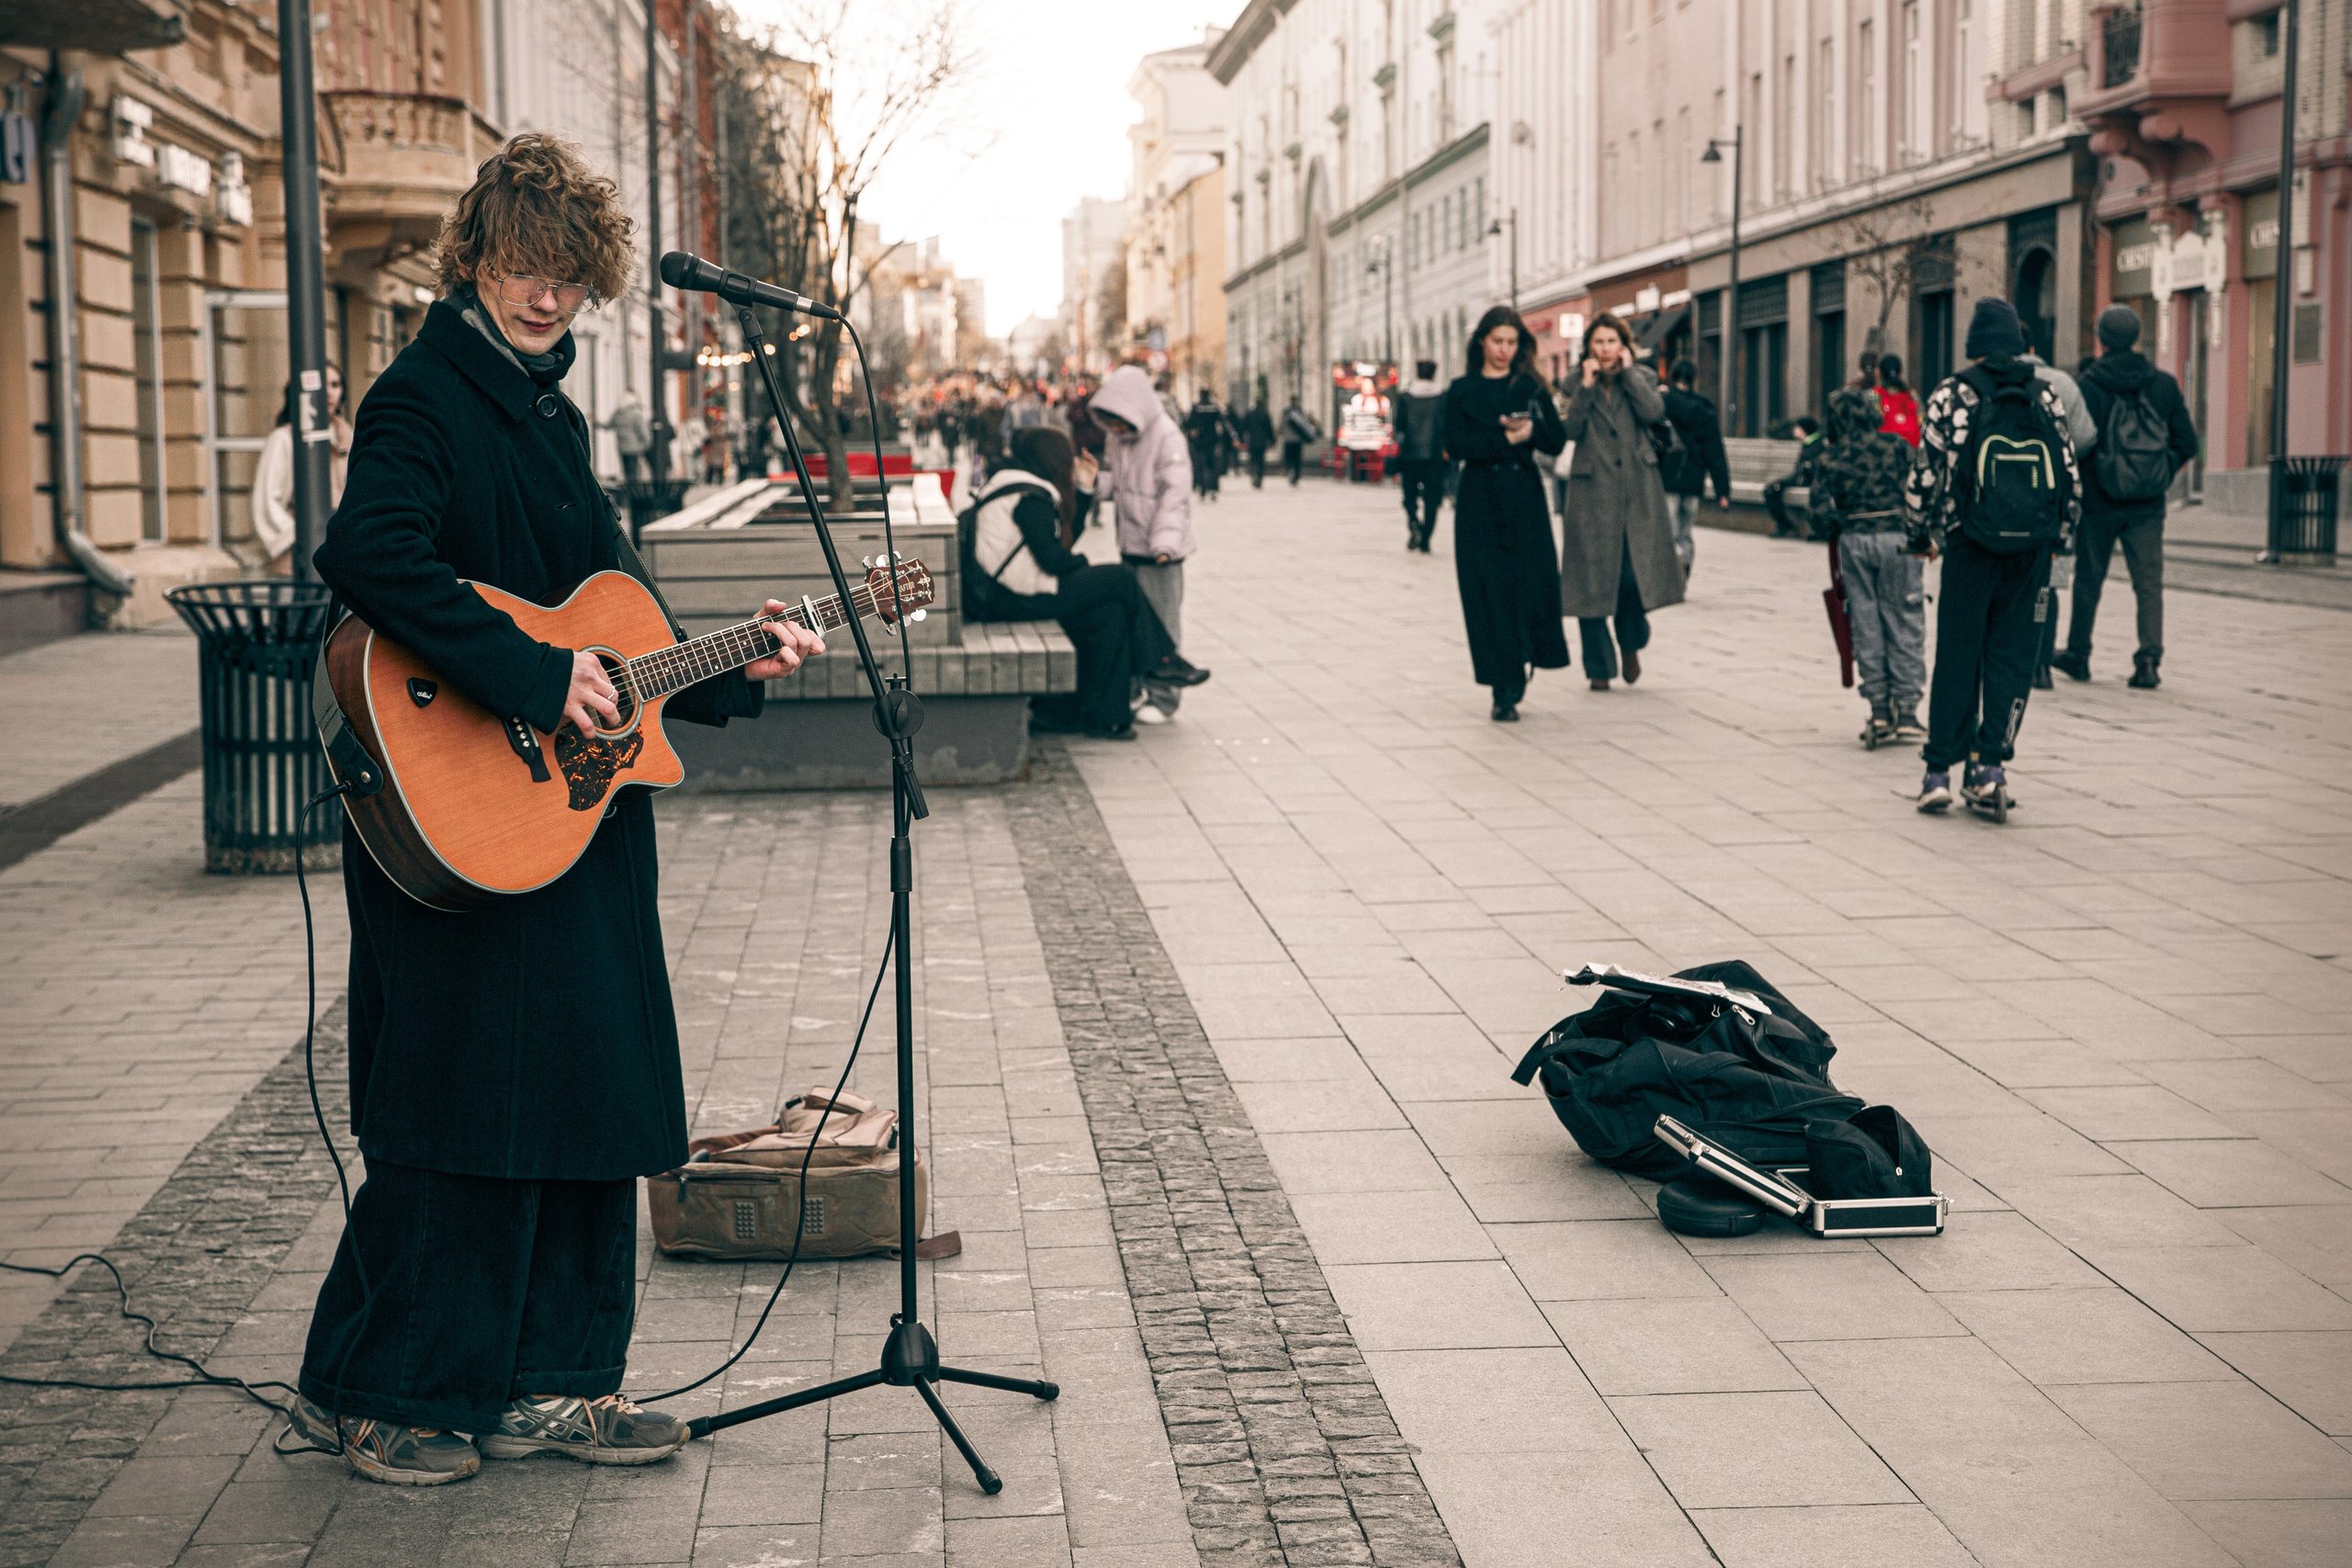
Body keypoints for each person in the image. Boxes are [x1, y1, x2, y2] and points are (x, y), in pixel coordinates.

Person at [296, 135, 827, 1485]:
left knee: (596, 1091)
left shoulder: (551, 413)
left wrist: (731, 664)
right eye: (524, 267)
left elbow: (612, 623)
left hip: (572, 813)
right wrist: (532, 679)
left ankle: (551, 1379)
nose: (546, 296)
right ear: (476, 254)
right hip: (459, 797)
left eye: (568, 274)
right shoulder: (424, 394)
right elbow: (369, 553)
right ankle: (386, 1387)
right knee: (461, 1102)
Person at [1904, 298, 2080, 816]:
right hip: (2030, 552)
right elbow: (2070, 477)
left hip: (1970, 543)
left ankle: (1938, 772)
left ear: (1974, 346)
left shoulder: (1952, 395)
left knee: (1958, 653)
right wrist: (2060, 537)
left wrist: (1919, 534)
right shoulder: (2045, 396)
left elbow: (1925, 474)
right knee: (2011, 656)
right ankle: (1990, 766)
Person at [966, 425, 1193, 739]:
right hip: (1014, 597)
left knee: (1110, 613)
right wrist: (1083, 568)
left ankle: (1108, 718)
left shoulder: (1016, 484)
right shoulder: (1029, 497)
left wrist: (1084, 491)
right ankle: (1160, 661)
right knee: (1120, 578)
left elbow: (1060, 547)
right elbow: (1054, 560)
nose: (1071, 463)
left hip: (1016, 592)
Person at [2053, 305, 2199, 691]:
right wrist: (2159, 472)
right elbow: (2188, 442)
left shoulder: (2088, 385)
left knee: (2089, 577)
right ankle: (2149, 660)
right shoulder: (2163, 385)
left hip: (2099, 500)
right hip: (2148, 505)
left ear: (2101, 338)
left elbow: (2078, 443)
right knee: (2149, 583)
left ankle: (2078, 654)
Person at [1445, 307, 1570, 721]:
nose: (1504, 350)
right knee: (1486, 589)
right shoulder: (1462, 390)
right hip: (1479, 499)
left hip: (1524, 497)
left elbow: (1556, 441)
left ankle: (1521, 660)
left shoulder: (1531, 387)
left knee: (1528, 584)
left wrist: (1530, 431)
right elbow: (1456, 444)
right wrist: (1504, 437)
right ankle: (1502, 685)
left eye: (1512, 342)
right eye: (1497, 341)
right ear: (1482, 340)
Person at [1559, 316, 1685, 692]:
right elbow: (1569, 430)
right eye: (1598, 341)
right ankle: (1599, 666)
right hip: (1590, 491)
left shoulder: (1643, 378)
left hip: (1637, 489)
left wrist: (1629, 376)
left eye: (1612, 340)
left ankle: (1630, 643)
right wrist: (1584, 387)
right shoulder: (1572, 382)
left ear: (1624, 345)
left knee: (1631, 577)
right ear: (1589, 348)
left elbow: (1653, 413)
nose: (1605, 348)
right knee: (1590, 581)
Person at [1092, 365, 1210, 723]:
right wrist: (1091, 482)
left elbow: (1175, 495)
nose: (1114, 428)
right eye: (1109, 421)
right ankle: (1139, 689)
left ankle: (1164, 698)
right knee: (1136, 624)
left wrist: (1164, 544)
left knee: (1163, 623)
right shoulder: (1119, 439)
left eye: (1118, 420)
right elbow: (1115, 484)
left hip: (1161, 553)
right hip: (1130, 544)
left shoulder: (1166, 437)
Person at [1813, 387, 1927, 746]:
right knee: (1905, 617)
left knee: (1865, 620)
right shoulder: (1896, 447)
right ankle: (1907, 709)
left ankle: (1879, 708)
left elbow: (1818, 514)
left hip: (1855, 540)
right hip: (1899, 538)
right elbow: (1923, 489)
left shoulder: (1830, 458)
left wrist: (1842, 521)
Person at [2018, 341, 2099, 689]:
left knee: (2009, 581)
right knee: (2049, 582)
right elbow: (2085, 438)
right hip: (2058, 502)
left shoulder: (1982, 382)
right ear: (2033, 346)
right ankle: (2042, 663)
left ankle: (2018, 659)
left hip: (2004, 505)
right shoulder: (2064, 384)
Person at [252, 362, 352, 573]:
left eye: (335, 384)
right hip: (296, 562)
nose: (328, 392)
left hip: (342, 558)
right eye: (321, 385)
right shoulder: (284, 439)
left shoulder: (349, 439)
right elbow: (267, 501)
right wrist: (298, 540)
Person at [1658, 358, 1731, 571]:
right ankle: (1685, 563)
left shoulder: (1663, 402)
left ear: (1673, 376)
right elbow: (1715, 452)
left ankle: (1673, 573)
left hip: (1668, 476)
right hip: (1694, 479)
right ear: (1692, 379)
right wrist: (1723, 492)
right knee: (1684, 531)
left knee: (1668, 530)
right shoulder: (1705, 409)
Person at [1394, 360, 1449, 552]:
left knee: (1409, 495)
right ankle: (1425, 538)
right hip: (1435, 456)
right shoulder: (1442, 396)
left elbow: (1399, 426)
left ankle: (1414, 523)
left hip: (1409, 455)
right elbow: (1445, 426)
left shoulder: (1405, 397)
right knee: (1432, 499)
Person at [1761, 417, 1825, 539]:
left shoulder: (1817, 444)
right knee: (1771, 489)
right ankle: (1785, 525)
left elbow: (1808, 470)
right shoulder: (1808, 443)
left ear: (1805, 430)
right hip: (1801, 479)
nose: (1794, 430)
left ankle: (1786, 526)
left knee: (1772, 489)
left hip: (1809, 481)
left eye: (1797, 427)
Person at [1184, 389, 1228, 502]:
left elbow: (1188, 423)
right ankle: (1213, 489)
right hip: (1212, 440)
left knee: (1200, 466)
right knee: (1212, 465)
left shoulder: (1197, 407)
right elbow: (1223, 421)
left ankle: (1203, 490)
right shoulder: (1214, 407)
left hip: (1199, 441)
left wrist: (1191, 434)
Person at [1873, 355, 1922, 447]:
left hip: (1885, 454)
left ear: (1879, 374)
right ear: (1901, 374)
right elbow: (1923, 424)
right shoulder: (1913, 396)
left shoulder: (1874, 396)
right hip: (1911, 454)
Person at [605, 389, 650, 481]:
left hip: (622, 447)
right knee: (634, 471)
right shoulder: (636, 414)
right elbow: (642, 431)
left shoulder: (618, 414)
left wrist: (595, 422)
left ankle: (628, 489)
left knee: (626, 471)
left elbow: (608, 426)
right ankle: (634, 491)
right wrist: (647, 444)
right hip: (634, 448)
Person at [1281, 397, 1318, 485]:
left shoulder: (1287, 413)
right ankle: (1295, 475)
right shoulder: (1298, 413)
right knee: (1296, 459)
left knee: (1289, 458)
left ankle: (1291, 472)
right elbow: (1304, 427)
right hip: (1296, 441)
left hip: (1289, 440)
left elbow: (1282, 426)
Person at [1239, 396, 1274, 489]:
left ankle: (1254, 475)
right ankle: (1259, 477)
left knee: (1253, 460)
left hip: (1252, 441)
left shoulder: (1250, 414)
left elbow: (1244, 427)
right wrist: (1271, 441)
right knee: (1261, 461)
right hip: (1262, 442)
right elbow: (1269, 429)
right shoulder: (1265, 414)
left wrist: (1242, 438)